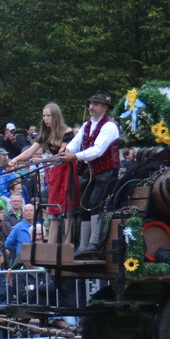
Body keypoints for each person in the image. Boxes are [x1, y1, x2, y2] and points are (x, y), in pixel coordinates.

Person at [57, 91, 123, 256]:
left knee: (94, 203)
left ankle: (94, 243)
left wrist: (74, 156)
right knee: (84, 204)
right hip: (91, 171)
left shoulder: (110, 126)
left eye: (96, 104)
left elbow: (98, 150)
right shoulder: (87, 125)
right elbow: (76, 142)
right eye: (91, 103)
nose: (91, 107)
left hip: (106, 172)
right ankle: (83, 246)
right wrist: (67, 150)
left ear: (104, 107)